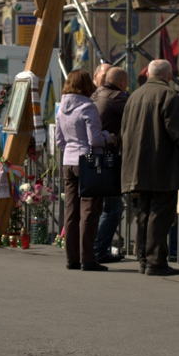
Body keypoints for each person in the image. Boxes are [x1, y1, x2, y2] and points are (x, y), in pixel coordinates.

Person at [121, 59, 179, 276]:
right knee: (160, 214)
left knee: (143, 212)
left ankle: (144, 259)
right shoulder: (169, 95)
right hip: (162, 166)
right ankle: (155, 262)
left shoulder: (134, 96)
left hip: (136, 165)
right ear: (169, 76)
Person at [56, 69, 115, 272]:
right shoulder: (87, 107)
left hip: (68, 161)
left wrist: (71, 150)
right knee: (89, 211)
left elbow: (59, 140)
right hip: (88, 162)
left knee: (71, 211)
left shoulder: (62, 108)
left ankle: (71, 257)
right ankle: (87, 258)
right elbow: (95, 139)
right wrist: (109, 136)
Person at [91, 66, 129, 264]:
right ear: (122, 83)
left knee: (100, 207)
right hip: (108, 158)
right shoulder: (117, 97)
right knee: (113, 208)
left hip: (95, 158)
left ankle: (94, 248)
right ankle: (99, 249)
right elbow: (136, 112)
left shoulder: (96, 94)